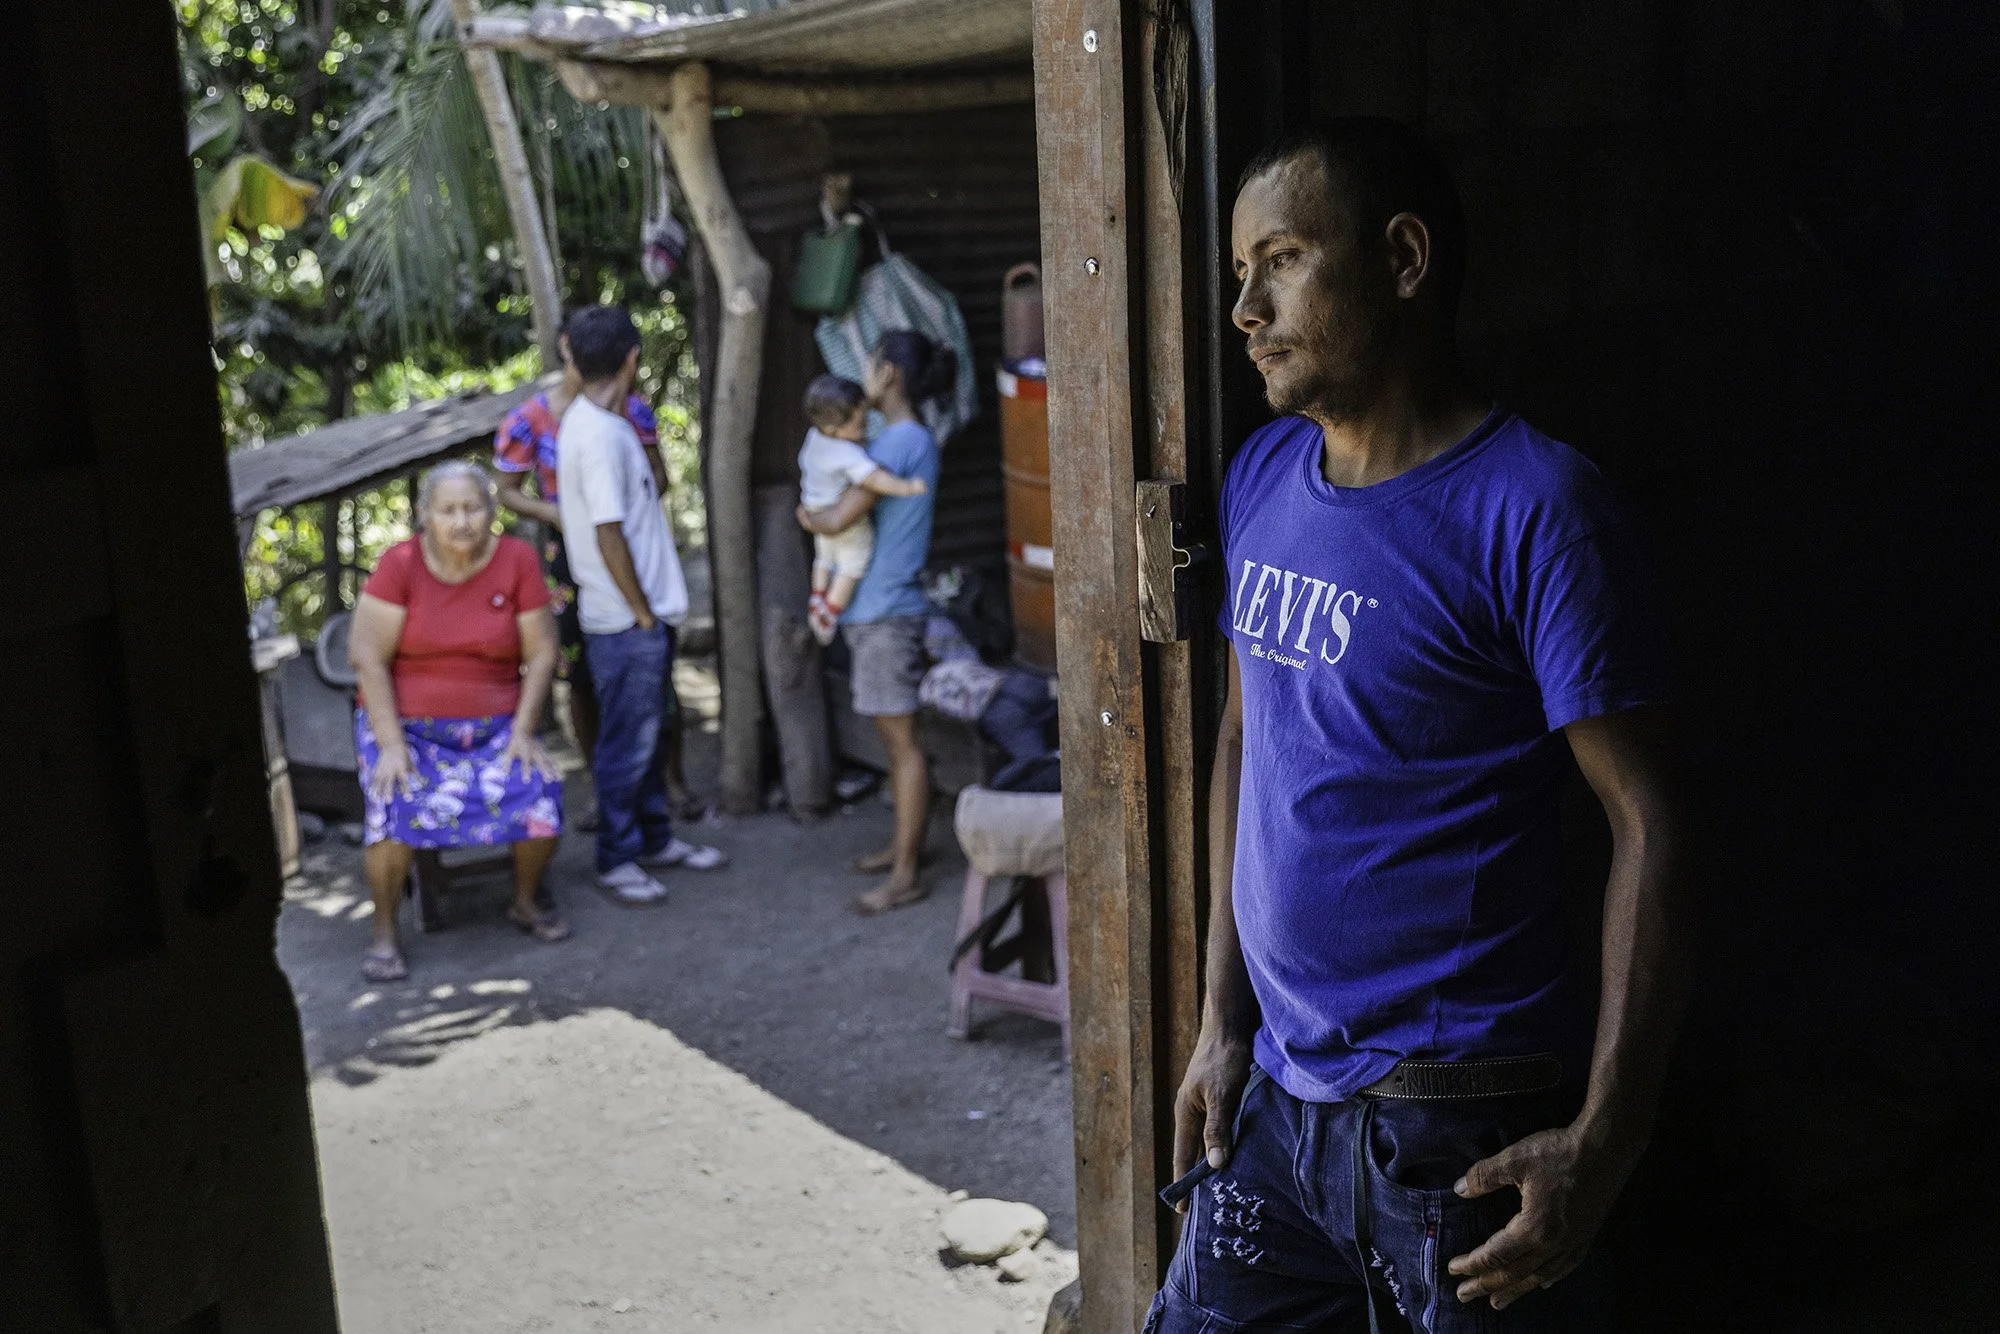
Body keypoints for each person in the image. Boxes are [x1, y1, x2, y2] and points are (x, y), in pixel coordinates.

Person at [1148, 120, 1689, 1331]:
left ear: (1401, 259)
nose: (1243, 305)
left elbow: (1649, 822)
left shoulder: (1539, 510)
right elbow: (1247, 742)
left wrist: (1604, 1139)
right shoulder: (1264, 476)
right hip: (1277, 1112)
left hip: (1458, 1133)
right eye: (1242, 269)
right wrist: (1217, 1024)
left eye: (1280, 258)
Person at [347, 461, 572, 982]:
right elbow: (367, 656)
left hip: (496, 727)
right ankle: (384, 931)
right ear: (425, 515)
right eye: (447, 510)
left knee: (538, 789)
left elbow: (541, 654)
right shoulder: (400, 565)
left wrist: (521, 731)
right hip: (409, 730)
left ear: (492, 512)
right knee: (391, 802)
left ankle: (525, 901)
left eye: (472, 508)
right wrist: (392, 744)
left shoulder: (515, 560)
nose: (461, 521)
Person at [492, 318, 705, 823]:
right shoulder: (531, 420)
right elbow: (506, 492)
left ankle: (666, 784)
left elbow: (656, 479)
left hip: (624, 543)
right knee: (585, 675)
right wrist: (567, 514)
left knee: (651, 672)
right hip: (569, 558)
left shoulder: (627, 414)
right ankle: (608, 796)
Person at [556, 305, 726, 906]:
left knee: (647, 738)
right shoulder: (599, 435)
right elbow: (608, 532)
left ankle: (653, 839)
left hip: (634, 615)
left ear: (570, 357)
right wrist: (643, 613)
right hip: (626, 620)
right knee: (627, 744)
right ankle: (617, 857)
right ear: (633, 359)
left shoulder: (602, 422)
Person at [796, 330, 952, 915]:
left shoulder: (898, 445)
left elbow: (836, 517)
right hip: (879, 608)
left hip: (887, 611)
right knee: (897, 743)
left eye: (869, 365)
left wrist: (809, 515)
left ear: (886, 374)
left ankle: (907, 872)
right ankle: (901, 847)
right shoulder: (895, 441)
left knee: (903, 745)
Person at [797, 374, 930, 644]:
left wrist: (809, 519)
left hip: (814, 504)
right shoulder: (848, 453)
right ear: (835, 429)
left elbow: (844, 413)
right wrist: (907, 488)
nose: (866, 427)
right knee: (853, 564)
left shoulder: (816, 436)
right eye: (860, 425)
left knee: (824, 559)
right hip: (842, 526)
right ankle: (829, 612)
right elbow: (872, 481)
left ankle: (818, 596)